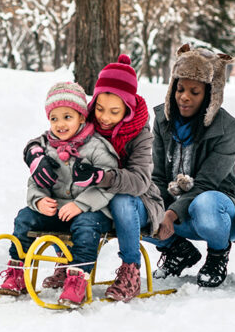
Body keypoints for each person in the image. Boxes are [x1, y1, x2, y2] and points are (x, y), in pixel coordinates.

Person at [141, 44, 235, 287]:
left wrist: (170, 214)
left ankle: (217, 254)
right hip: (177, 207)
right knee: (136, 204)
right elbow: (159, 177)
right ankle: (178, 251)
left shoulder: (228, 129)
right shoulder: (163, 120)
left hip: (218, 207)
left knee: (206, 203)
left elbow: (206, 183)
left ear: (210, 94)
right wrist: (156, 207)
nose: (184, 97)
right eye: (180, 89)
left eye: (195, 92)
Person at [0, 81, 117, 308]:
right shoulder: (45, 146)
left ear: (82, 117)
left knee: (86, 227)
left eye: (67, 117)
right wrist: (39, 200)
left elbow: (108, 184)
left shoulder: (97, 147)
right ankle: (17, 270)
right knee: (25, 217)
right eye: (54, 118)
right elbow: (36, 181)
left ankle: (77, 279)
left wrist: (81, 204)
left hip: (90, 211)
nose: (60, 124)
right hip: (56, 210)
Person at [59, 54, 166, 302]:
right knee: (68, 202)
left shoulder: (141, 135)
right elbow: (54, 138)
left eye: (114, 111)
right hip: (98, 198)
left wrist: (101, 176)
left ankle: (130, 270)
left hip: (138, 202)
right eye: (99, 108)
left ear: (128, 110)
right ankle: (68, 263)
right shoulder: (87, 126)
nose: (104, 117)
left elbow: (139, 181)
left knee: (122, 200)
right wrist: (35, 152)